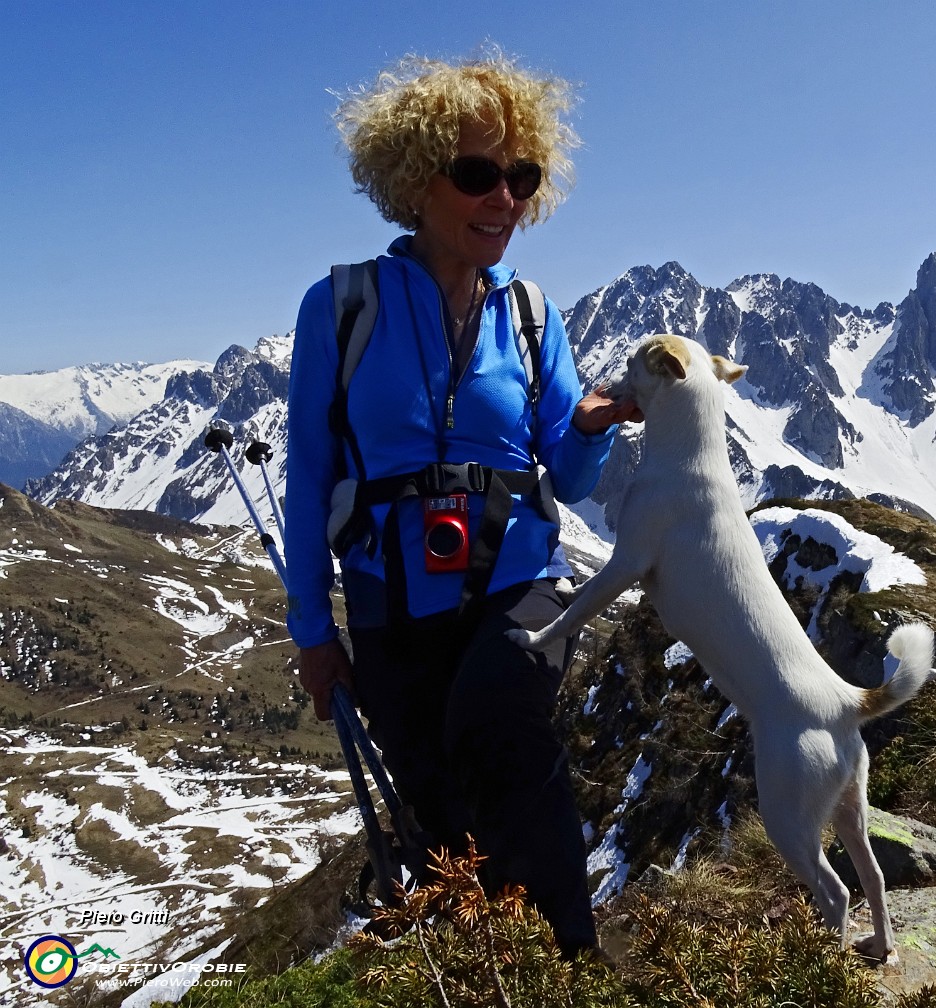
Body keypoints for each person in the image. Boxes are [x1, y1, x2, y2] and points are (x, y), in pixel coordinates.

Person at [283, 52, 638, 960]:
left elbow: (570, 473)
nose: (506, 200)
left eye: (521, 178)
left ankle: (575, 963)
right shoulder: (340, 308)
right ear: (415, 180)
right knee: (436, 804)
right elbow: (310, 475)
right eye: (479, 175)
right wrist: (313, 632)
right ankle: (489, 968)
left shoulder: (531, 316)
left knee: (499, 720)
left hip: (520, 575)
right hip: (387, 594)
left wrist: (590, 425)